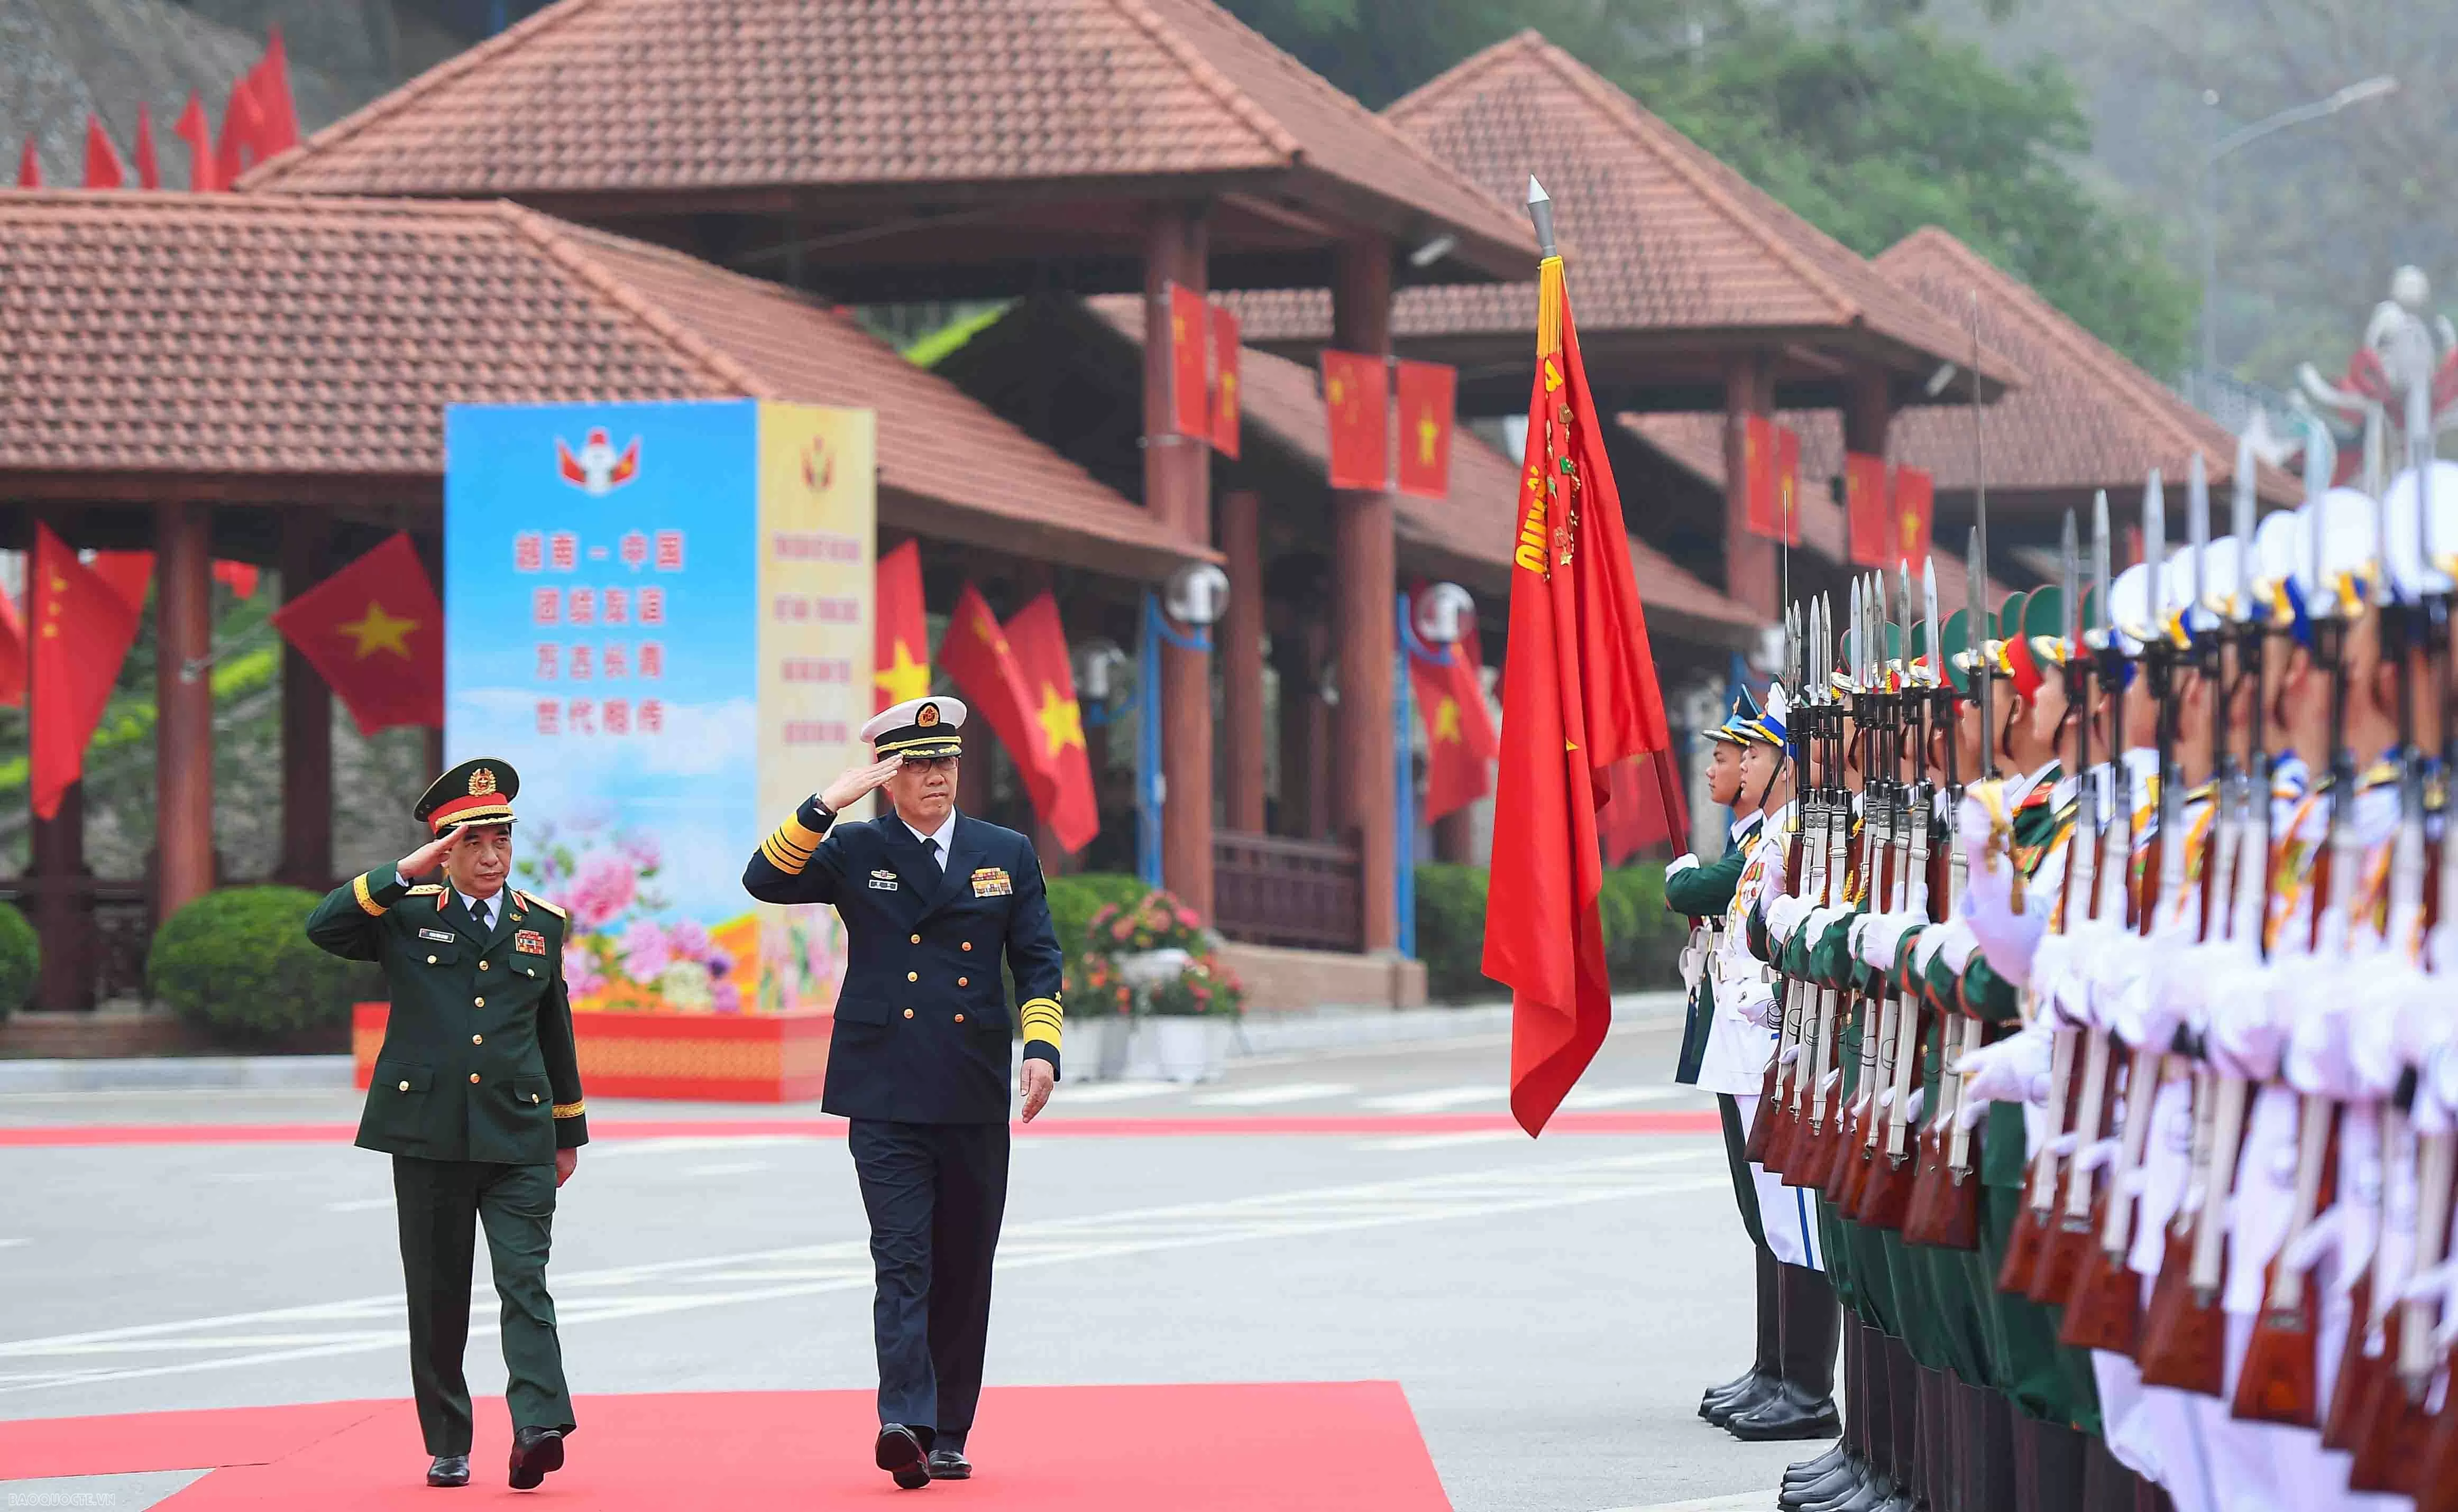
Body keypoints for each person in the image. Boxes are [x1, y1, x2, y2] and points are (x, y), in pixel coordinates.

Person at [741, 695, 1064, 1491]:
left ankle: (948, 1430)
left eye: (945, 762)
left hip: (971, 1083)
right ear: (890, 777)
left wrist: (1042, 1049)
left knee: (965, 1264)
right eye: (918, 766)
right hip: (883, 1085)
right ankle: (904, 1423)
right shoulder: (857, 848)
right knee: (903, 1259)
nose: (936, 778)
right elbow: (763, 880)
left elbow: (1037, 958)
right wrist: (825, 804)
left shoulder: (1005, 852)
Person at [304, 758, 586, 1492]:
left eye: (501, 841)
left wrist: (567, 1133)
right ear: (444, 850)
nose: (491, 857)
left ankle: (538, 1426)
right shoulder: (404, 914)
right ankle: (448, 1440)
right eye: (473, 844)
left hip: (519, 1132)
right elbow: (323, 927)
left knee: (526, 1281)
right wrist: (405, 871)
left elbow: (554, 1032)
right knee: (437, 1296)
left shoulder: (541, 924)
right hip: (428, 1133)